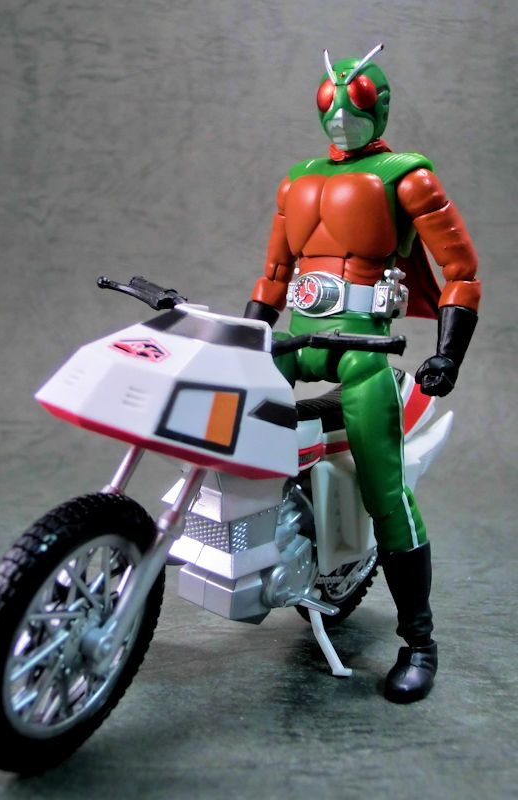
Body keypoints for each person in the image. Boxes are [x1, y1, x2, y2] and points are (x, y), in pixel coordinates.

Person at [245, 44, 481, 703]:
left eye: (358, 100)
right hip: (298, 339)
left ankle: (420, 641)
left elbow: (461, 273)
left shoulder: (407, 176)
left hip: (363, 347)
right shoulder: (297, 179)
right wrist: (242, 343)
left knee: (385, 487)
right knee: (223, 431)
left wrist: (448, 353)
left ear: (381, 105)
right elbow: (273, 277)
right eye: (331, 100)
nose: (343, 113)